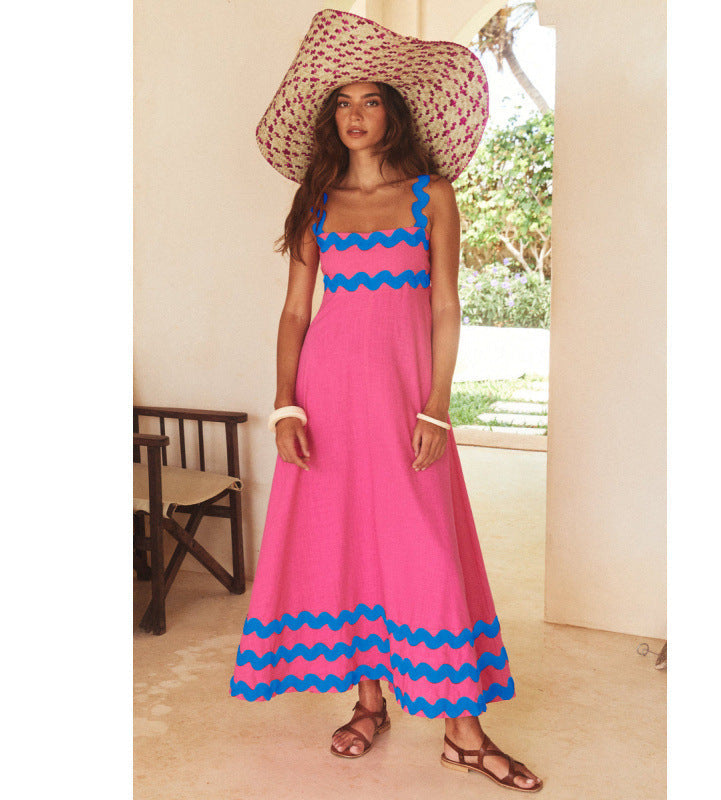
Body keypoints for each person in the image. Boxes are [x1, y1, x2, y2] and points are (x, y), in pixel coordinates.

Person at [230, 10, 543, 793]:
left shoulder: (432, 196)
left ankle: (463, 730)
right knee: (346, 539)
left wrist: (438, 404)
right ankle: (369, 703)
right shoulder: (316, 201)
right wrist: (285, 405)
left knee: (423, 543)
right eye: (343, 102)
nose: (356, 114)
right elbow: (295, 312)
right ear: (329, 117)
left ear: (393, 112)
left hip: (406, 396)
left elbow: (445, 305)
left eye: (370, 100)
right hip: (327, 395)